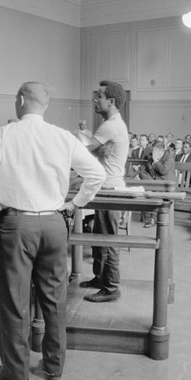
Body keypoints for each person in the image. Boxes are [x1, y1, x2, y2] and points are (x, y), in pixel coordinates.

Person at [0, 82, 105, 380]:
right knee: (55, 300)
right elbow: (97, 174)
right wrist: (74, 203)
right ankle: (54, 367)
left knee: (15, 301)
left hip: (17, 224)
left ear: (19, 101)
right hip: (55, 224)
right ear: (46, 105)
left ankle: (16, 374)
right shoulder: (63, 136)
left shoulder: (4, 134)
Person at [79, 81, 130, 303]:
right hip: (106, 187)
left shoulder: (110, 125)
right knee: (100, 238)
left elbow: (82, 153)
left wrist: (78, 136)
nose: (94, 99)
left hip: (110, 190)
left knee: (108, 240)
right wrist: (87, 138)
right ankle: (100, 278)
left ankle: (110, 288)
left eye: (98, 95)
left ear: (111, 101)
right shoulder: (113, 124)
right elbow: (94, 149)